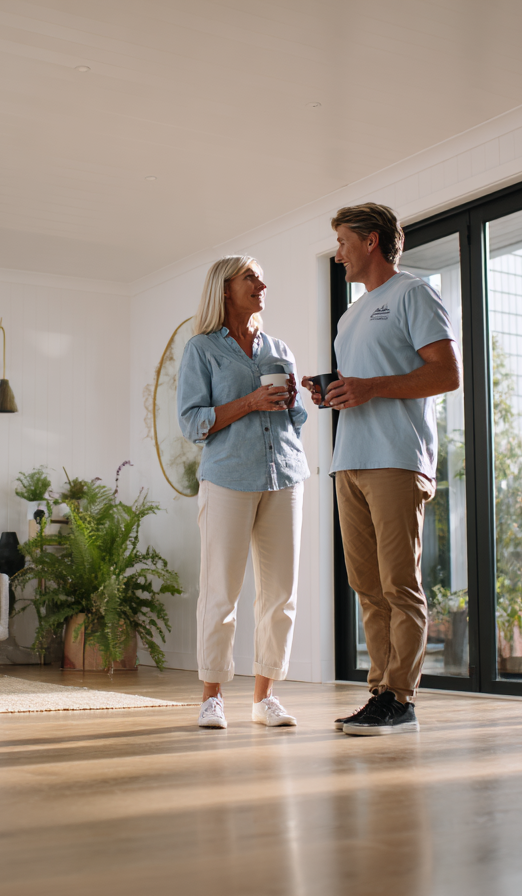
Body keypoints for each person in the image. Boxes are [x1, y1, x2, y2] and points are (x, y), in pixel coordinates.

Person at [307, 203, 461, 736]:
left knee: (399, 585)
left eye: (344, 242)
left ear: (371, 242)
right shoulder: (350, 314)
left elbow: (446, 373)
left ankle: (401, 696)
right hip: (348, 459)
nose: (338, 252)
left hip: (397, 458)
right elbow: (364, 383)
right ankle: (380, 694)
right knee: (366, 587)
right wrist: (335, 391)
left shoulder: (413, 294)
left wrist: (370, 388)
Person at [177, 255, 310, 729]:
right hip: (228, 477)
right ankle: (212, 696)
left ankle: (264, 698)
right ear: (225, 289)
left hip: (286, 475)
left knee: (280, 595)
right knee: (221, 592)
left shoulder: (278, 348)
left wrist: (295, 401)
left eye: (260, 277)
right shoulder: (201, 350)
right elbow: (193, 422)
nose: (261, 284)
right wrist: (250, 401)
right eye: (250, 277)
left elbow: (297, 422)